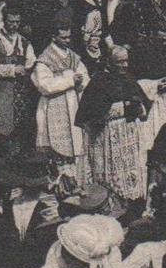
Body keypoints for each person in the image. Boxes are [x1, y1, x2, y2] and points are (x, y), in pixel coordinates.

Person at [75, 44, 151, 206]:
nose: (125, 65)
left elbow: (142, 104)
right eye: (120, 62)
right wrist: (126, 106)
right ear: (110, 62)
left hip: (129, 135)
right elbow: (95, 112)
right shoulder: (99, 82)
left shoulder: (129, 78)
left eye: (126, 61)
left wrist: (138, 107)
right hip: (109, 135)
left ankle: (133, 204)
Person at [32, 18, 92, 181]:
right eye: (63, 38)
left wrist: (80, 82)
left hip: (74, 103)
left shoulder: (73, 56)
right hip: (54, 104)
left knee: (76, 145)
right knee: (56, 149)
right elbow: (45, 86)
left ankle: (76, 181)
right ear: (53, 37)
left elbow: (85, 76)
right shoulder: (45, 59)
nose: (67, 41)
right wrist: (71, 80)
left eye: (69, 37)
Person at [0, 5, 35, 141]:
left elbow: (31, 64)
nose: (15, 25)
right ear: (4, 21)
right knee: (3, 130)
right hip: (1, 93)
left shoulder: (24, 42)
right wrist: (12, 70)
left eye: (17, 22)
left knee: (21, 132)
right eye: (11, 21)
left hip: (21, 95)